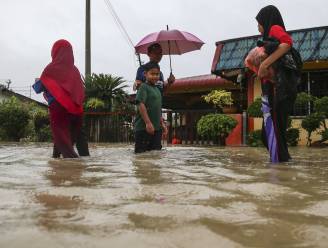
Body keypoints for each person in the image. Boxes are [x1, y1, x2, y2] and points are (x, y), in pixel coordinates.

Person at [255, 5, 300, 163]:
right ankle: (284, 165)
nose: (258, 28)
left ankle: (283, 169)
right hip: (275, 89)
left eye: (259, 23)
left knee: (272, 133)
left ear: (266, 21)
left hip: (278, 90)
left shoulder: (274, 28)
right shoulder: (269, 41)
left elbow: (287, 43)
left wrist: (264, 64)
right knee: (271, 134)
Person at [33, 39, 85, 158]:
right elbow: (81, 91)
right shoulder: (75, 71)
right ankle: (55, 159)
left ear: (55, 52)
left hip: (58, 109)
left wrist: (37, 81)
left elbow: (38, 88)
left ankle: (78, 168)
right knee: (64, 141)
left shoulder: (51, 68)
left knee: (64, 145)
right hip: (77, 112)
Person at [134, 61, 167, 153]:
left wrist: (162, 124)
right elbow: (140, 104)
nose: (155, 76)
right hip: (143, 128)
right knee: (141, 158)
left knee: (155, 156)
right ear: (145, 74)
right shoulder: (143, 87)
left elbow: (157, 109)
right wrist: (148, 123)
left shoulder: (157, 90)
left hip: (157, 129)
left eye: (157, 74)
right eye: (152, 74)